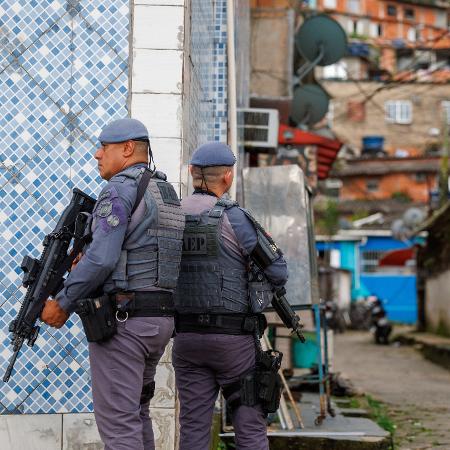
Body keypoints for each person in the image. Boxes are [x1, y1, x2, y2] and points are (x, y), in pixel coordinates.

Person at [41, 118, 185, 450]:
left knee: (119, 429)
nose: (97, 154)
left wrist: (62, 301)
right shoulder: (164, 191)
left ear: (128, 148)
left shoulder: (119, 189)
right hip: (159, 320)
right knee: (136, 416)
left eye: (104, 147)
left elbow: (103, 258)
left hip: (126, 322)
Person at [173, 142, 288, 450]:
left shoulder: (171, 216)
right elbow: (278, 272)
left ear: (191, 173)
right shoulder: (236, 218)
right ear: (227, 177)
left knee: (193, 427)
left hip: (185, 337)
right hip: (233, 342)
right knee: (249, 427)